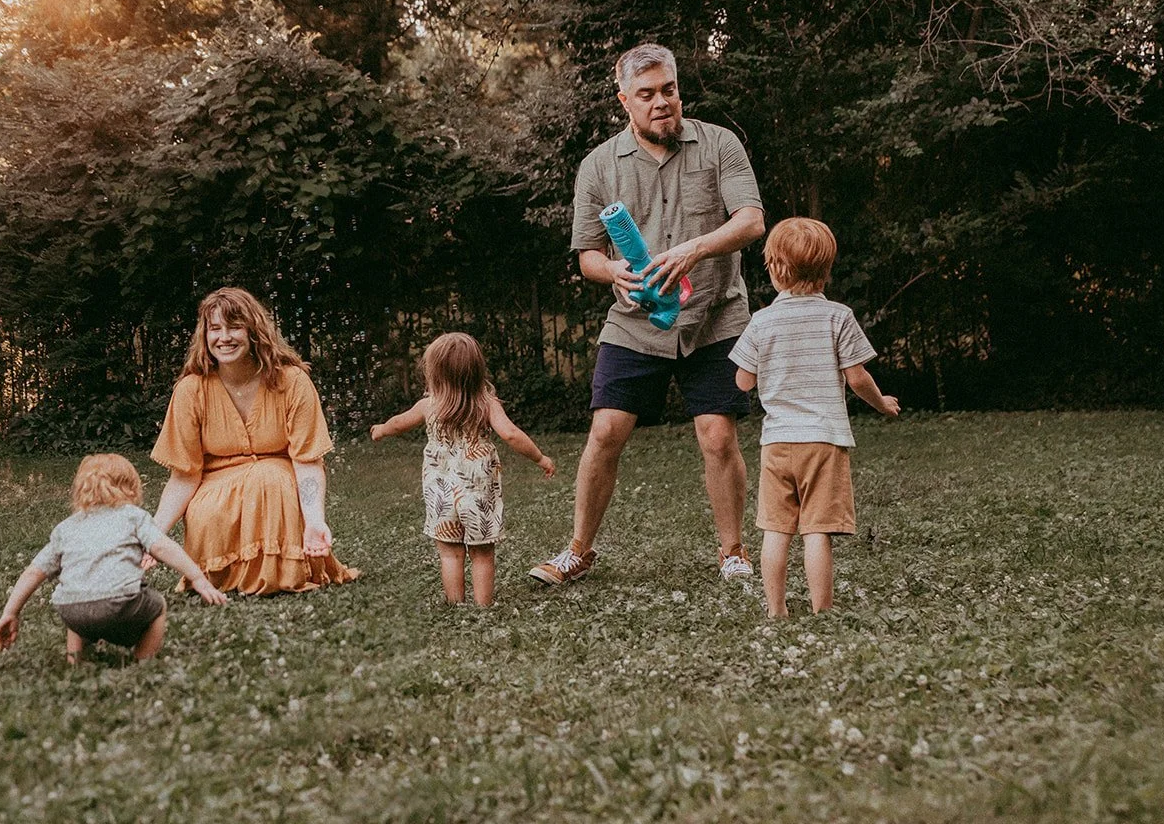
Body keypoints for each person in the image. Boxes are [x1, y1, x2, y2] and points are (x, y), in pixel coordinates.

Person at [531, 43, 766, 586]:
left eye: (669, 90)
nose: (662, 102)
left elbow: (751, 221)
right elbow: (587, 253)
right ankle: (578, 551)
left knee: (716, 434)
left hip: (715, 313)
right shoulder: (597, 166)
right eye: (647, 95)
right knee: (607, 430)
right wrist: (613, 273)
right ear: (625, 102)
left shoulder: (719, 144)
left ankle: (733, 552)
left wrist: (692, 251)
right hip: (634, 318)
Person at [728, 217, 900, 617]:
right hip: (824, 441)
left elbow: (742, 382)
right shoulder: (838, 317)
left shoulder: (761, 321)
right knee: (816, 531)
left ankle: (776, 610)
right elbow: (857, 378)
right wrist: (882, 404)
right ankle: (823, 611)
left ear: (775, 268)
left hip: (777, 443)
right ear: (825, 271)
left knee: (776, 530)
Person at [148, 287, 361, 595]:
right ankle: (221, 574)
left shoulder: (291, 381)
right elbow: (184, 475)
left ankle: (284, 568)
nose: (224, 337)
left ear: (254, 331)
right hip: (215, 487)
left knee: (269, 479)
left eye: (235, 326)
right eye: (215, 328)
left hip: (278, 484)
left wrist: (314, 521)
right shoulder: (191, 390)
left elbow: (307, 461)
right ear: (204, 335)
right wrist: (152, 534)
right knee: (206, 510)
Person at [370, 333, 556, 607]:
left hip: (440, 492)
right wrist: (540, 458)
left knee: (450, 552)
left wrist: (381, 429)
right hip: (478, 491)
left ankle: (455, 603)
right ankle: (482, 606)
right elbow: (512, 434)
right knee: (482, 553)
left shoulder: (429, 405)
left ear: (434, 373)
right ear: (477, 371)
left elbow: (399, 423)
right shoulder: (486, 404)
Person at [0, 453, 228, 664]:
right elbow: (163, 548)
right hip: (120, 604)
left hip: (71, 611)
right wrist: (197, 577)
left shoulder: (66, 528)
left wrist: (10, 613)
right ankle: (143, 660)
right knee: (158, 606)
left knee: (78, 593)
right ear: (131, 488)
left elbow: (34, 572)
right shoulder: (133, 517)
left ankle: (75, 661)